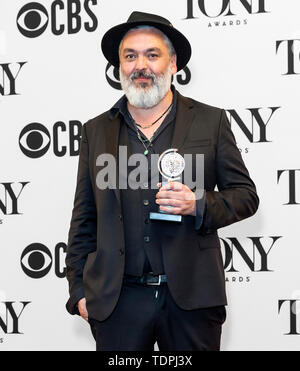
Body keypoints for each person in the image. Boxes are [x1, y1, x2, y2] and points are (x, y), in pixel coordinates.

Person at [65, 11, 259, 351]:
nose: (141, 65)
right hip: (117, 303)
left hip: (191, 302)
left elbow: (245, 196)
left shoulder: (210, 122)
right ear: (120, 67)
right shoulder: (96, 131)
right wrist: (79, 292)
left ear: (173, 64)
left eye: (152, 55)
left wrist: (197, 204)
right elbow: (84, 218)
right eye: (130, 56)